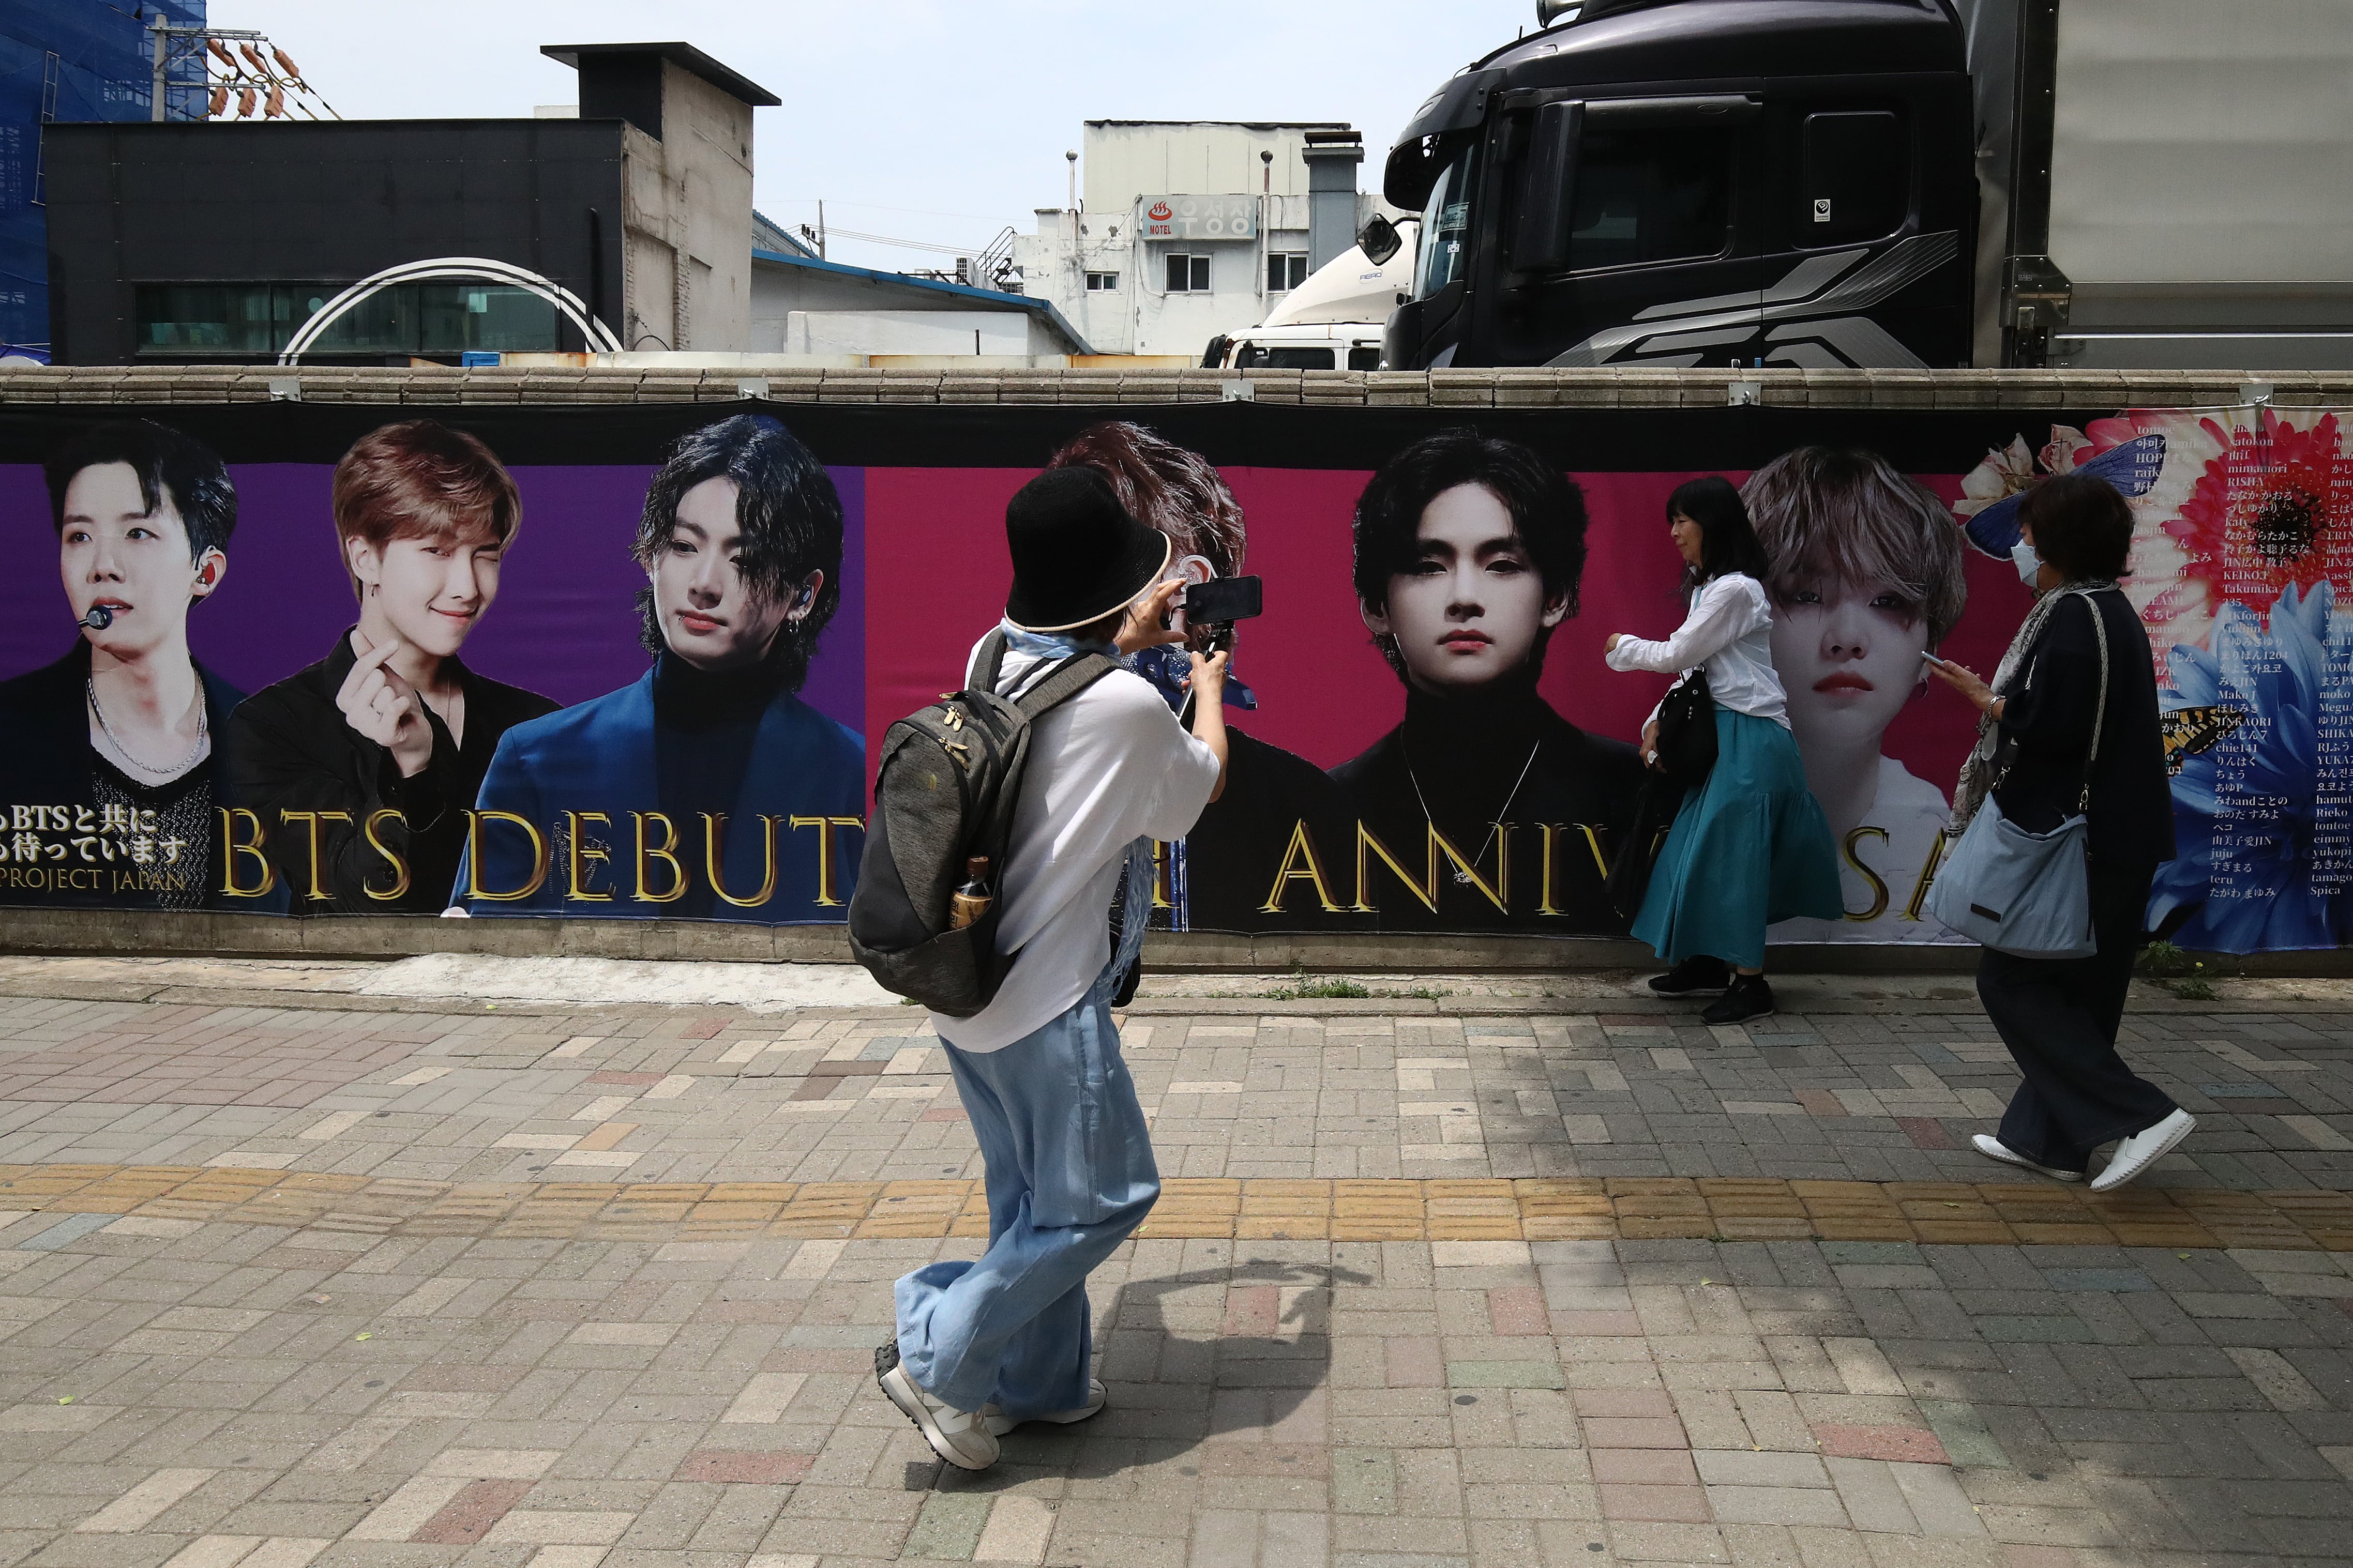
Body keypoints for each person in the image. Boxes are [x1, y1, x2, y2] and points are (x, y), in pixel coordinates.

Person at [879, 465, 1228, 1472]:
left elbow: (1065, 681)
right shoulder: (1125, 705)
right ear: (1116, 591)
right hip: (1046, 1007)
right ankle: (935, 1346)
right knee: (1105, 1198)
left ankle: (1041, 1384)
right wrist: (1202, 684)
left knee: (1032, 1202)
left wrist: (1133, 641)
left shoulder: (989, 652)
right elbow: (1191, 796)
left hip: (968, 991)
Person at [461, 414, 865, 920]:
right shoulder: (535, 760)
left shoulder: (855, 777)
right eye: (684, 546)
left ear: (803, 595)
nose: (704, 583)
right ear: (651, 557)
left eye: (745, 559)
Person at [1927, 471, 2192, 1191]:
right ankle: (2048, 1141)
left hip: (2088, 836)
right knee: (2082, 992)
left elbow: (2053, 728)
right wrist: (1998, 699)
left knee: (2010, 978)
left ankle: (2139, 1114)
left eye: (2029, 531)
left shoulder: (2074, 617)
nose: (2020, 544)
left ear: (2058, 541)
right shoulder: (2105, 609)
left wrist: (1988, 701)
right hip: (2119, 832)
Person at [230, 421, 557, 912]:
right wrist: (413, 769)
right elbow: (353, 905)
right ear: (366, 559)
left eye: (485, 555)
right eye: (437, 552)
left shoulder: (537, 726)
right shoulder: (271, 728)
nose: (467, 586)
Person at [1331, 430, 1645, 931]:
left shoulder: (1631, 787)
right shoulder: (1329, 804)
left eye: (1501, 565)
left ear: (1555, 597)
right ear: (1375, 606)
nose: (1464, 597)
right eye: (1428, 566)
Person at [1045, 420, 1343, 932]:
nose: (1081, 595)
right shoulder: (1036, 730)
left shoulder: (1297, 800)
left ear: (1190, 584)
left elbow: (1204, 781)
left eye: (1111, 564)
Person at [1604, 477, 1844, 1024]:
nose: (1674, 533)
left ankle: (1750, 984)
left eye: (1681, 520)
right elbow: (1695, 672)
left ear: (1710, 523)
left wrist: (1620, 649)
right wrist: (1654, 723)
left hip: (1751, 740)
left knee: (1734, 861)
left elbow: (1678, 654)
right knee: (1696, 854)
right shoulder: (1710, 591)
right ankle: (1709, 962)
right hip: (1726, 739)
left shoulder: (1736, 589)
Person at [0, 420, 246, 911]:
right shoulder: (10, 730)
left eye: (138, 532)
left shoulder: (270, 737)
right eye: (79, 537)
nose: (102, 565)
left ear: (206, 571)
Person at [1743, 447, 1969, 943]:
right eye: (1805, 594)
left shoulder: (1939, 847)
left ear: (1928, 649)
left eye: (1888, 601)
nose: (1847, 638)